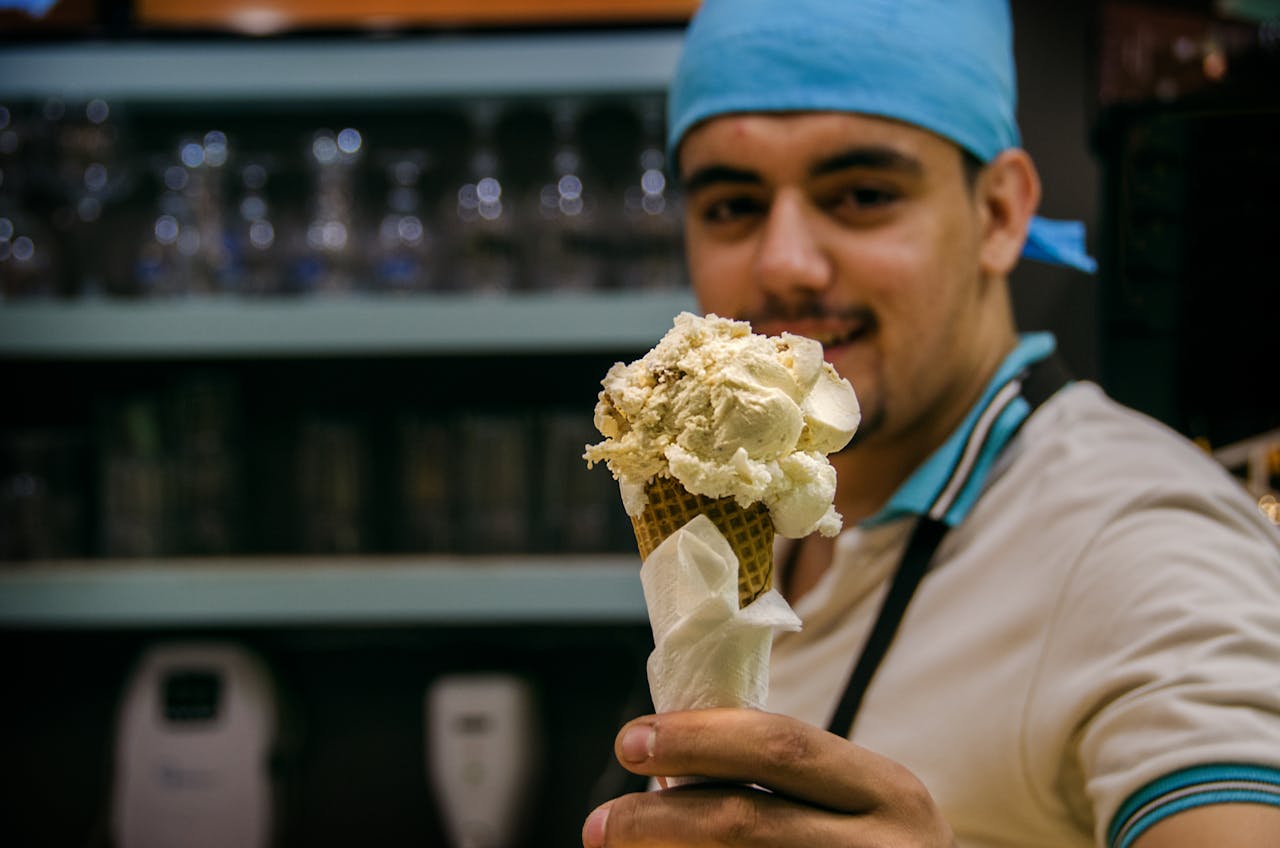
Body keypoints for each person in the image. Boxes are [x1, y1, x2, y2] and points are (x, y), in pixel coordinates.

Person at [581, 1, 1280, 846]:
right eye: (733, 206)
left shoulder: (1142, 538)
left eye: (863, 195)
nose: (783, 264)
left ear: (999, 213)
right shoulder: (761, 512)